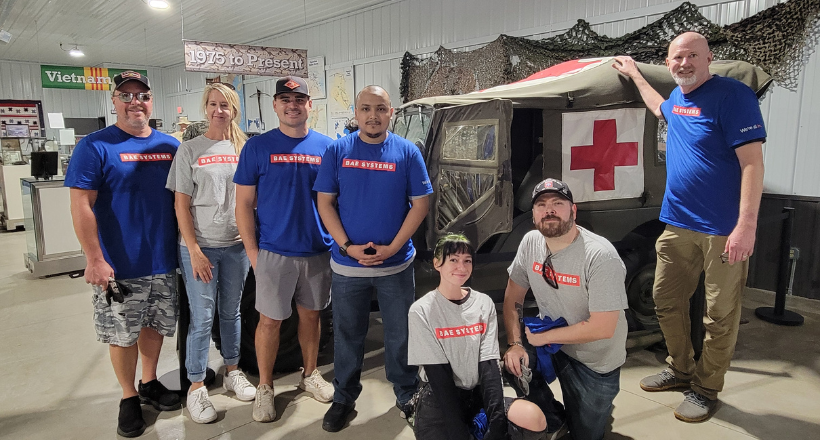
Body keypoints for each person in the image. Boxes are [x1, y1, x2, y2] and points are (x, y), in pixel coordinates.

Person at [612, 31, 765, 422]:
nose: (685, 63)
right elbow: (659, 107)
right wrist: (633, 73)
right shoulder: (679, 98)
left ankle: (706, 388)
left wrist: (745, 226)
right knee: (665, 300)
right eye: (677, 57)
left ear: (708, 57)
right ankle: (681, 369)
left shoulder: (733, 96)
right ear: (669, 63)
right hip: (677, 224)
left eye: (693, 56)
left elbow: (752, 164)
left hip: (722, 231)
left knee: (720, 316)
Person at [66, 71, 181, 438]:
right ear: (114, 101)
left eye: (143, 96)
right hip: (119, 264)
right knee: (122, 333)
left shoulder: (169, 146)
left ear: (152, 101)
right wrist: (95, 258)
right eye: (126, 96)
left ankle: (149, 381)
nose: (136, 103)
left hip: (163, 258)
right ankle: (128, 396)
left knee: (155, 325)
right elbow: (81, 205)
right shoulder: (96, 146)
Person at [314, 85, 432, 432]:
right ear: (356, 112)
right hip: (348, 266)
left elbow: (420, 204)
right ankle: (344, 398)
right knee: (348, 334)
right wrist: (347, 245)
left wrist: (394, 247)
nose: (372, 116)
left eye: (380, 109)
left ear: (390, 112)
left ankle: (407, 392)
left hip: (395, 265)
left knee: (400, 333)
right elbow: (325, 203)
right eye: (365, 109)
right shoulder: (338, 151)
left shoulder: (408, 152)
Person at [233, 76, 336, 423]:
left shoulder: (328, 147)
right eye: (284, 98)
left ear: (310, 105)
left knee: (311, 316)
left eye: (299, 98)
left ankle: (310, 375)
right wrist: (252, 254)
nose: (292, 104)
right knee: (269, 322)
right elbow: (243, 205)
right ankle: (264, 387)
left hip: (317, 251)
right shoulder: (257, 148)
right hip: (274, 252)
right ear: (275, 105)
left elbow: (337, 201)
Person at [503, 178, 628, 440]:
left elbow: (603, 327)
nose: (549, 210)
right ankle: (552, 418)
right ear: (534, 214)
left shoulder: (600, 256)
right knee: (512, 363)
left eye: (558, 203)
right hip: (553, 345)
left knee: (586, 435)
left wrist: (545, 337)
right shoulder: (530, 243)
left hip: (594, 360)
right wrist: (515, 343)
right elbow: (513, 298)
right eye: (541, 204)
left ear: (573, 210)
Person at [166, 82, 255, 424]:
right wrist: (193, 249)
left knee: (231, 313)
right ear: (206, 108)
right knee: (202, 318)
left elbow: (251, 198)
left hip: (235, 246)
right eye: (213, 104)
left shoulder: (243, 148)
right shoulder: (189, 150)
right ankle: (196, 386)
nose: (219, 110)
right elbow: (181, 205)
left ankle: (233, 371)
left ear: (235, 109)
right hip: (199, 247)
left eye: (226, 105)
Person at [410, 233, 549, 440]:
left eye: (467, 261)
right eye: (454, 260)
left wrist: (497, 423)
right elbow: (438, 376)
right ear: (437, 263)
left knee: (534, 418)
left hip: (478, 393)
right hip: (440, 399)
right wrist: (459, 433)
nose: (462, 267)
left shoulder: (483, 304)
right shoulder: (421, 310)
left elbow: (489, 366)